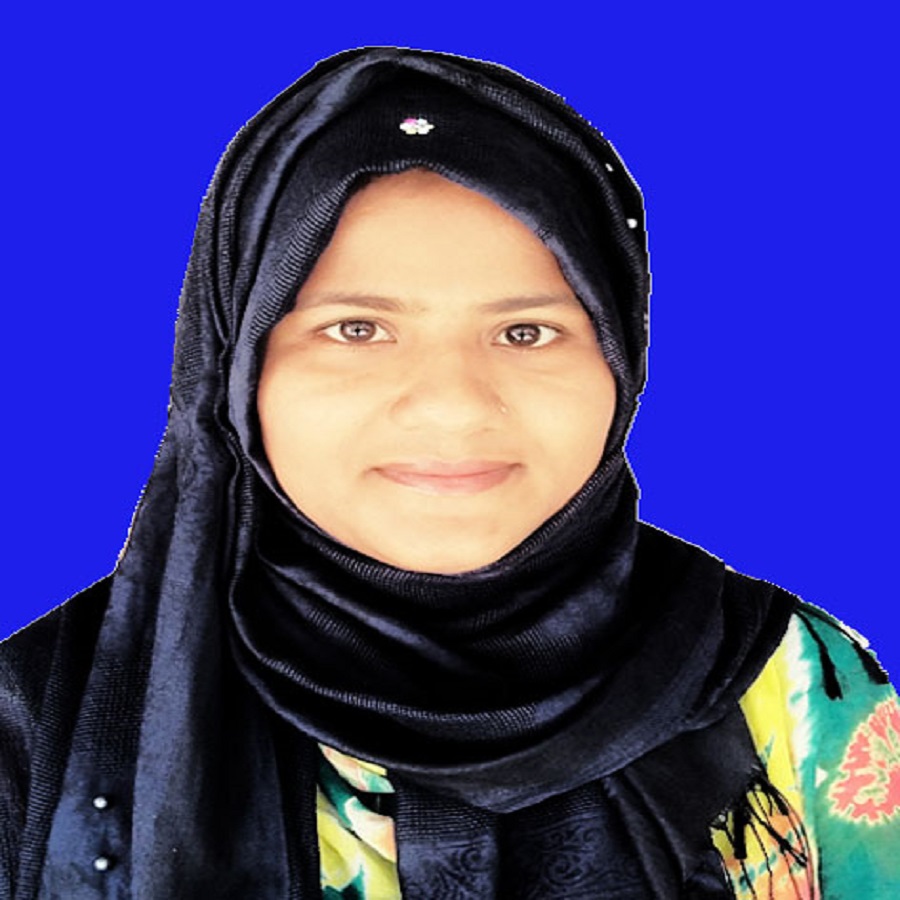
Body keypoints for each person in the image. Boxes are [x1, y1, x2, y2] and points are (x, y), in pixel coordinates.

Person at [1, 46, 897, 899]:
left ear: (621, 360)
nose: (453, 406)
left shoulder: (793, 680)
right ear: (240, 370)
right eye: (357, 329)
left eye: (526, 332)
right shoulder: (33, 725)